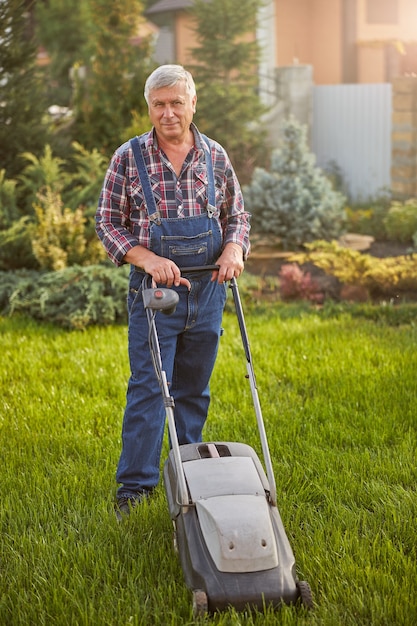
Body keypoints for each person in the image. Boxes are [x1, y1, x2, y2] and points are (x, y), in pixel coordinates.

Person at [95, 64, 250, 520]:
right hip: (153, 296)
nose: (167, 113)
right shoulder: (130, 158)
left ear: (193, 103)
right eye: (159, 104)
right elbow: (107, 223)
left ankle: (188, 472)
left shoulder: (215, 156)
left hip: (208, 292)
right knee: (148, 388)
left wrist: (234, 249)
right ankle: (135, 489)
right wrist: (147, 258)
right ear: (149, 107)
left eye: (176, 103)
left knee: (193, 390)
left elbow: (236, 216)